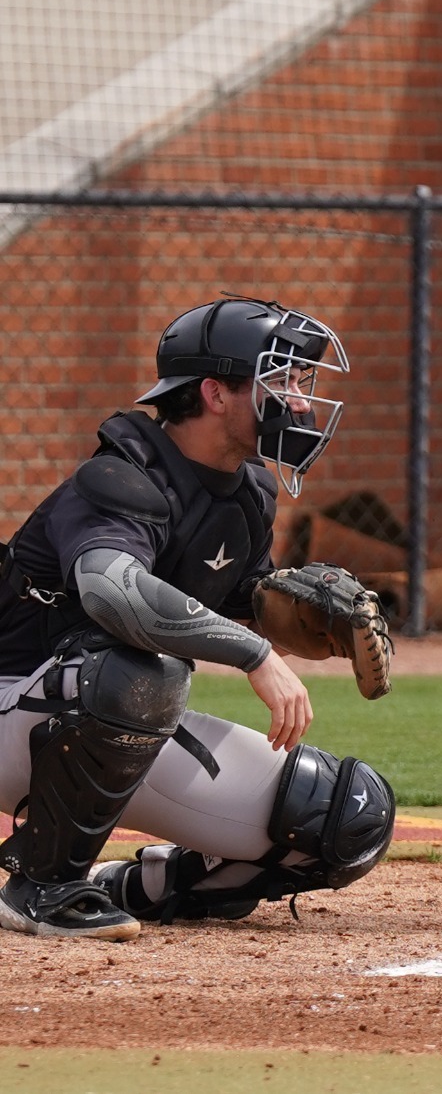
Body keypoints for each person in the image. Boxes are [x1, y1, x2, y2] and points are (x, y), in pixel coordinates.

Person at [0, 298, 395, 939]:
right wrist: (256, 655)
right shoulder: (117, 478)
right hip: (18, 703)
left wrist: (285, 618)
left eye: (300, 382)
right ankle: (41, 885)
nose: (297, 400)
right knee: (137, 671)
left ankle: (139, 886)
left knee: (342, 815)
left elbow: (232, 600)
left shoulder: (246, 495)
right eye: (281, 379)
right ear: (214, 392)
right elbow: (114, 594)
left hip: (114, 725)